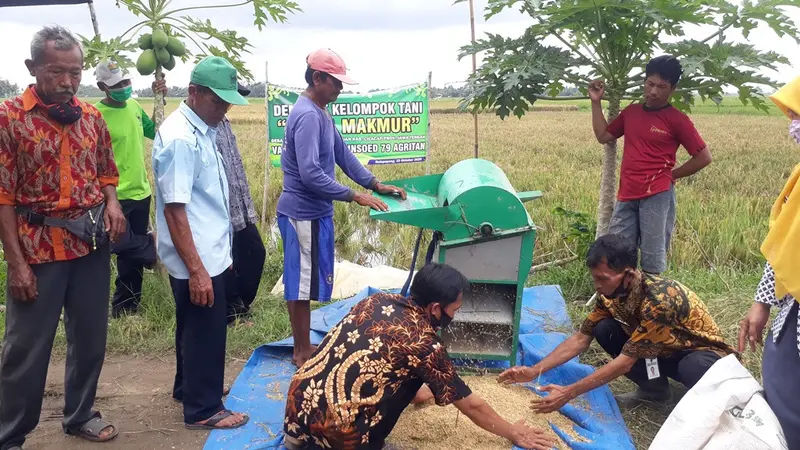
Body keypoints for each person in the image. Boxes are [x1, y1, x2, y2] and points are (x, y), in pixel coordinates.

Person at [0, 25, 126, 448]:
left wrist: (112, 203)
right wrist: (16, 264)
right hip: (37, 250)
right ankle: (10, 433)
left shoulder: (90, 116)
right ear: (32, 68)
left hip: (89, 244)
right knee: (25, 349)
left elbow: (107, 170)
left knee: (90, 338)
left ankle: (80, 414)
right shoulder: (9, 118)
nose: (68, 81)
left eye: (75, 72)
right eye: (57, 72)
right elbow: (3, 197)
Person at [283, 263, 555, 450]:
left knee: (407, 373)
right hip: (336, 436)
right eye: (455, 309)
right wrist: (514, 432)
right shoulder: (425, 344)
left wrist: (420, 391)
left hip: (296, 412)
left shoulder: (376, 301)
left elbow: (381, 364)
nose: (455, 315)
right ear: (436, 307)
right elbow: (471, 406)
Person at [499, 234, 734, 411]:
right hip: (661, 351)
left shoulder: (659, 301)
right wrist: (533, 371)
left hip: (700, 355)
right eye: (594, 279)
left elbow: (624, 363)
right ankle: (656, 392)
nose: (597, 286)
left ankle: (714, 408)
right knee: (605, 329)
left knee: (692, 366)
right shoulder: (611, 296)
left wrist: (568, 393)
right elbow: (581, 338)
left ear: (629, 275)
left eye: (602, 279)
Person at [277, 48, 407, 368]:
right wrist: (354, 196)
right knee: (301, 283)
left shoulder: (321, 111)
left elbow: (343, 155)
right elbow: (310, 174)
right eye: (335, 82)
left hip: (315, 213)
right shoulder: (307, 115)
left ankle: (303, 346)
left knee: (307, 281)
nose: (340, 89)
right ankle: (302, 351)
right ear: (317, 78)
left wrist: (374, 184)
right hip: (302, 213)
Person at [152, 55, 249, 430]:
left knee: (193, 326)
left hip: (208, 250)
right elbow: (176, 212)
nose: (223, 110)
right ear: (194, 93)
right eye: (217, 101)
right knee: (206, 330)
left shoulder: (201, 129)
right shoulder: (180, 138)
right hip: (197, 256)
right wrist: (197, 270)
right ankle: (203, 408)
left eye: (226, 103)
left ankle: (188, 387)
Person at [589, 55, 712, 275]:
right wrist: (596, 102)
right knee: (616, 256)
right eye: (650, 84)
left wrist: (671, 175)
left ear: (672, 89)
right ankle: (620, 305)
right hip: (626, 195)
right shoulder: (631, 113)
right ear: (644, 83)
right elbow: (603, 135)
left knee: (652, 261)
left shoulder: (677, 119)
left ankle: (651, 304)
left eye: (662, 87)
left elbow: (704, 157)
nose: (654, 92)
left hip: (657, 195)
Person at [738, 75, 800, 448]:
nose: (793, 127)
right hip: (792, 311)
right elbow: (783, 246)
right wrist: (761, 303)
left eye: (798, 116)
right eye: (791, 117)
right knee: (781, 396)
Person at [94, 59, 166, 318]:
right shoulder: (95, 115)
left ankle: (127, 307)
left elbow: (155, 131)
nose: (124, 87)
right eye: (117, 85)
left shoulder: (134, 106)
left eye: (126, 82)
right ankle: (151, 246)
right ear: (103, 86)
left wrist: (160, 100)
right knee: (112, 244)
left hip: (140, 191)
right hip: (113, 195)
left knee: (129, 260)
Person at [216, 82, 266, 326]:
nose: (231, 103)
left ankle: (241, 306)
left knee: (255, 252)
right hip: (221, 208)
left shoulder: (224, 122)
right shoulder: (205, 126)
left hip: (239, 205)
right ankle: (232, 313)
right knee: (228, 261)